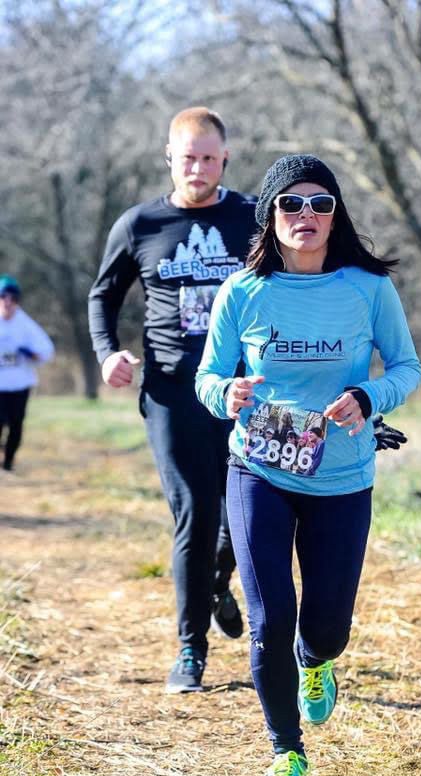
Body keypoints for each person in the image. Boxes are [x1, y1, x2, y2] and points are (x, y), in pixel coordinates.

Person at [196, 154, 421, 776]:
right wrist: (227, 394)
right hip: (260, 468)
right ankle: (286, 753)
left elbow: (407, 367)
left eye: (320, 204)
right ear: (270, 213)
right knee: (270, 618)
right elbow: (208, 378)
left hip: (343, 475)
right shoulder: (244, 290)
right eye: (291, 203)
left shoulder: (367, 287)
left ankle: (316, 661)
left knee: (326, 626)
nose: (306, 216)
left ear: (335, 214)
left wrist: (368, 396)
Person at [88, 107, 256, 694]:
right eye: (189, 157)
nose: (199, 168)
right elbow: (103, 295)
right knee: (195, 513)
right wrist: (108, 352)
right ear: (169, 156)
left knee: (242, 515)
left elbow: (291, 284)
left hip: (243, 394)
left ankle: (214, 582)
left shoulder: (253, 219)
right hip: (170, 393)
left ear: (225, 158)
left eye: (210, 157)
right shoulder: (140, 224)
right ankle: (191, 650)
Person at [0, 275, 55, 471]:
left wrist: (31, 353)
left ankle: (8, 462)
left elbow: (47, 350)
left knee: (16, 425)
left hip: (20, 384)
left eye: (13, 298)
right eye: (3, 296)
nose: (8, 302)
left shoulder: (25, 325)